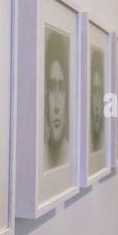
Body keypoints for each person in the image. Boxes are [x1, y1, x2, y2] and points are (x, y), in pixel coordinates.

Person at [44, 27, 70, 169]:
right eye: (52, 88)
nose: (56, 105)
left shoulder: (73, 154)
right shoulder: (38, 160)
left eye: (61, 89)